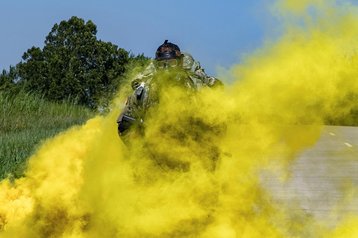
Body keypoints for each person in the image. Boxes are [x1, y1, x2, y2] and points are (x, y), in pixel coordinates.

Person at [117, 40, 222, 136]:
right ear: (156, 67)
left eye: (172, 64)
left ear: (180, 64)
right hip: (154, 147)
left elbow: (217, 122)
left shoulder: (197, 87)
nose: (166, 70)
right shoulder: (144, 93)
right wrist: (142, 148)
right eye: (162, 65)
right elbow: (124, 128)